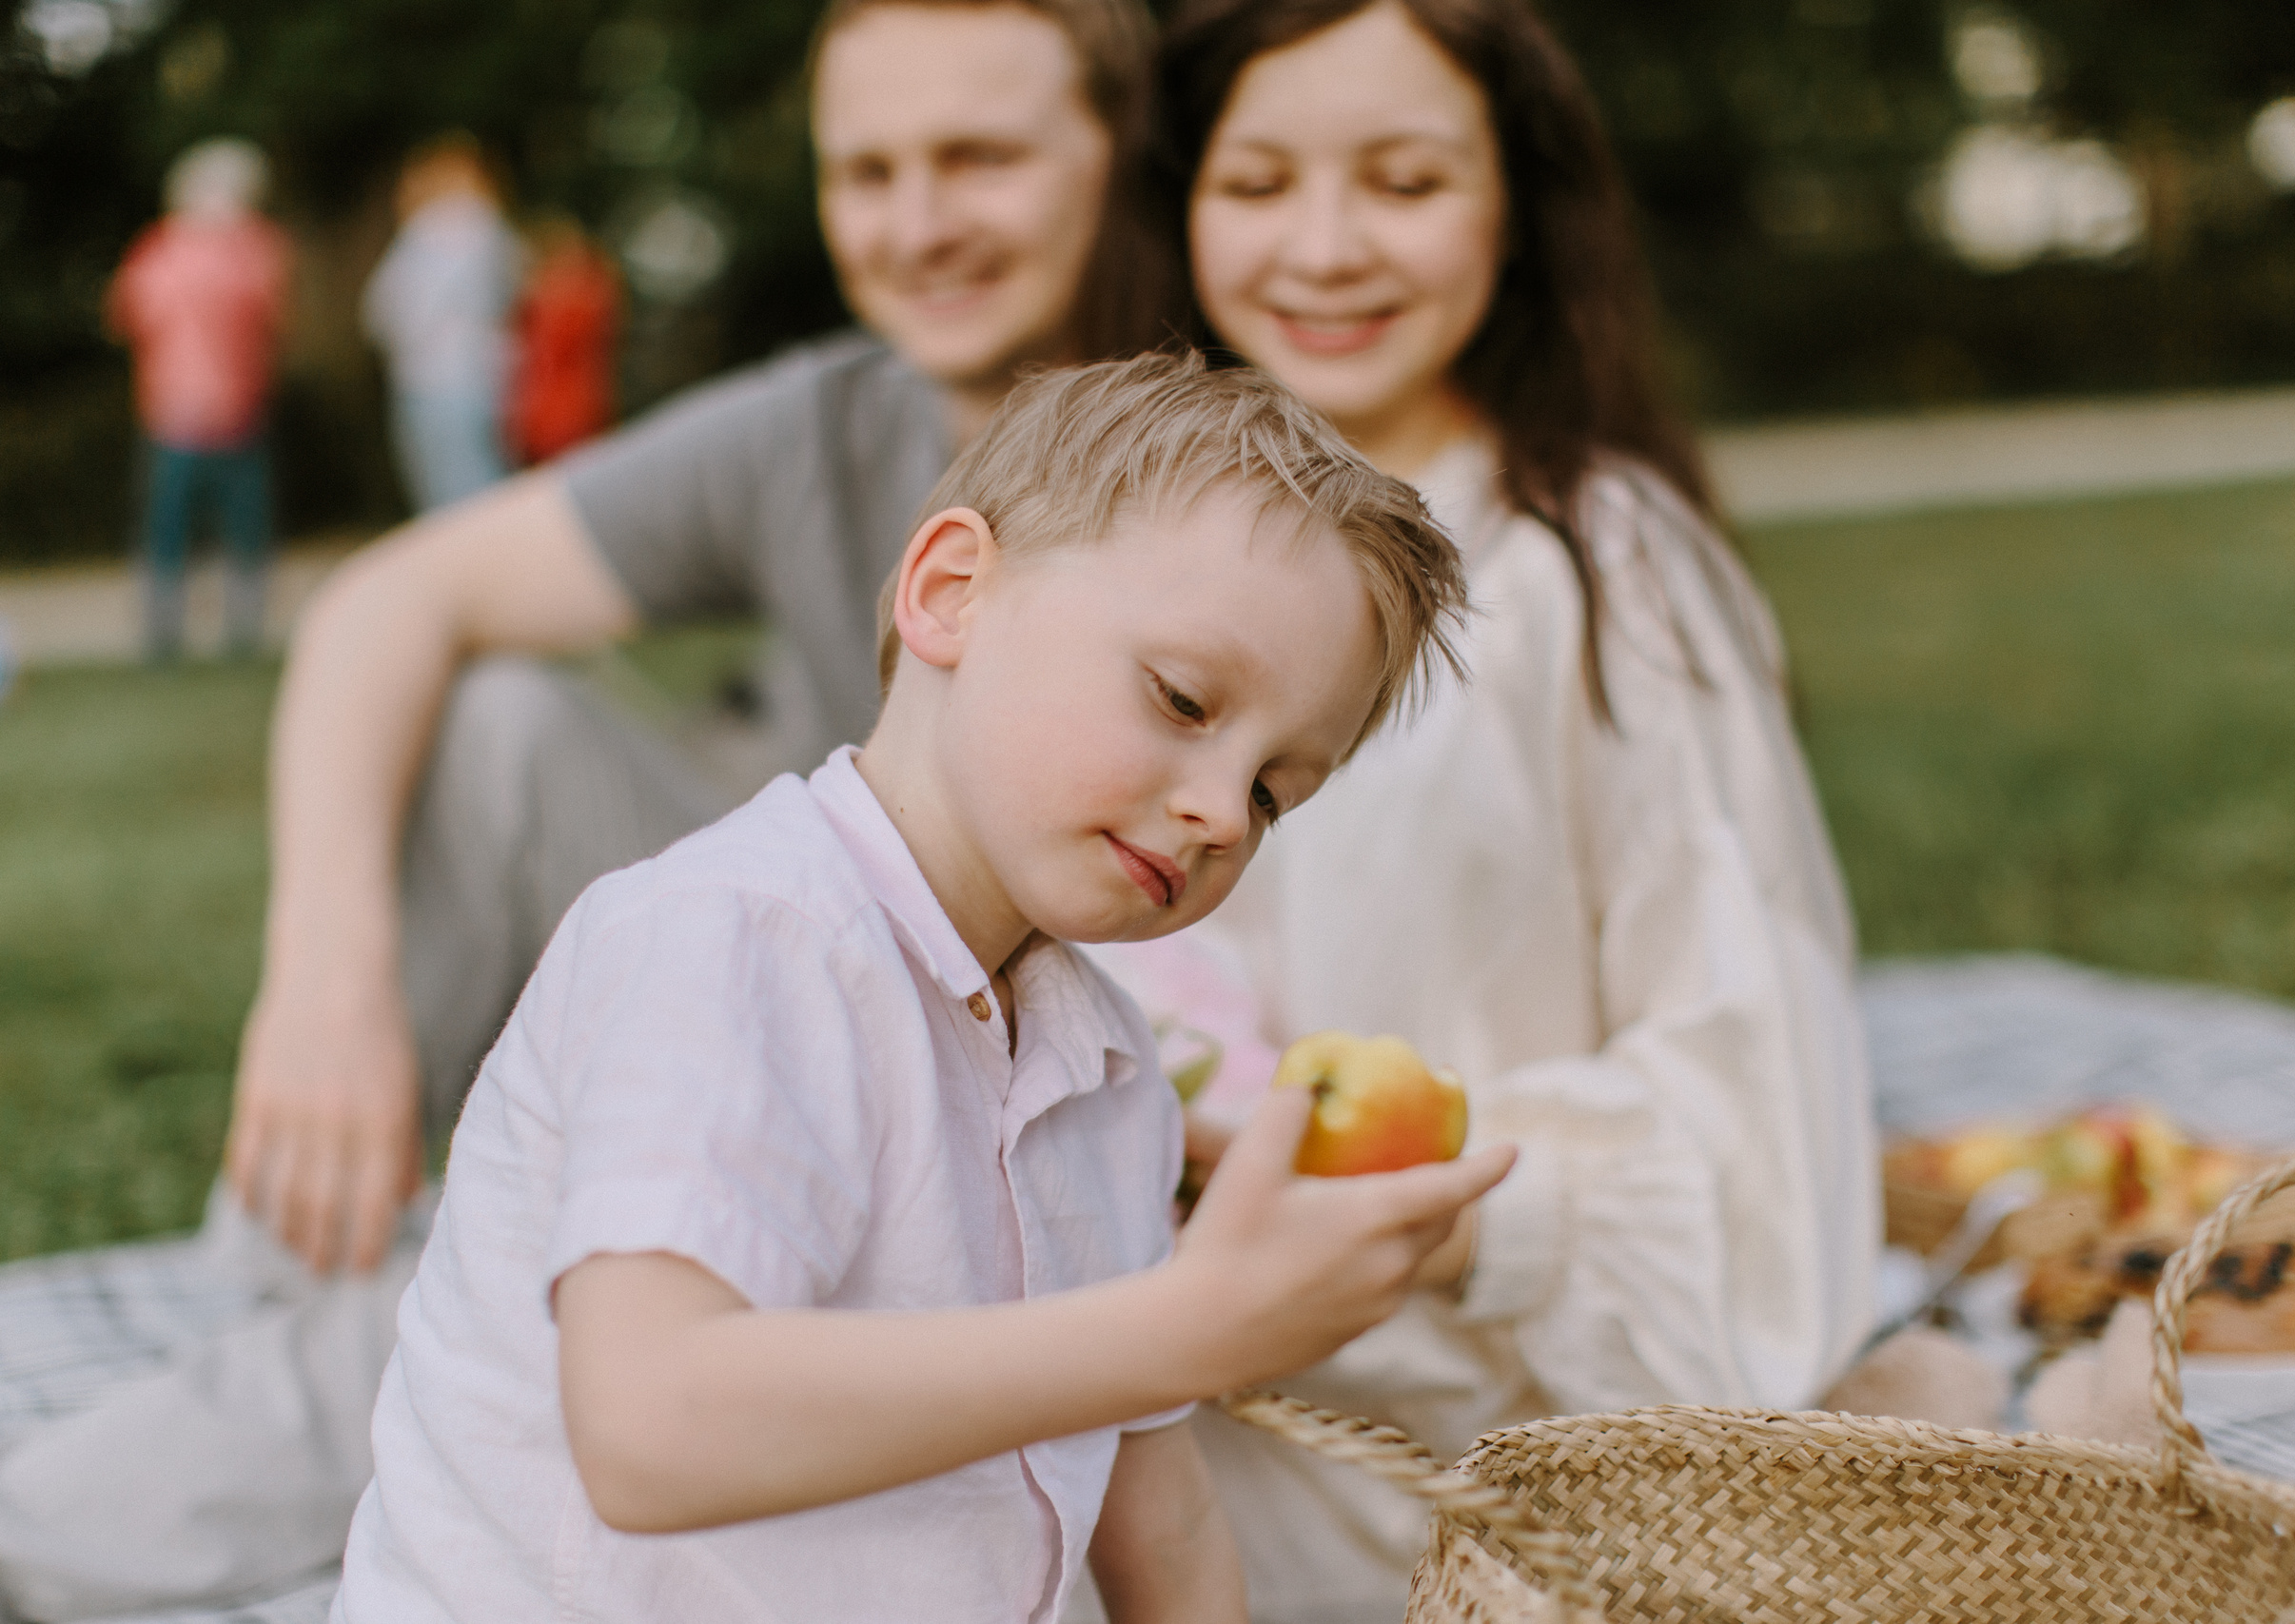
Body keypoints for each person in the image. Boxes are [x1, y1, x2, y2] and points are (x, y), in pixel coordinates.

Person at [0, 2, 1174, 1616]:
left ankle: (250, 1411)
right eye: (867, 168)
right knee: (499, 719)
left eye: (976, 157)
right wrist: (324, 977)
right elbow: (385, 602)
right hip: (766, 1049)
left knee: (434, 1355)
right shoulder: (833, 417)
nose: (916, 223)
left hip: (996, 1110)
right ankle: (286, 1265)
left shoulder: (1221, 467)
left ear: (1117, 150)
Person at [329, 350, 1506, 1624]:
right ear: (951, 592)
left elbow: (1157, 1511)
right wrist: (1183, 1325)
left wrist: (1177, 1327)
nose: (1222, 808)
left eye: (1278, 787)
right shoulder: (739, 936)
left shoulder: (1103, 1063)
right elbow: (651, 1424)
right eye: (1181, 698)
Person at [1084, 2, 1881, 1617]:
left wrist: (1426, 1218)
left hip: (1467, 1464)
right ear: (1178, 205)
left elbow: (1761, 1136)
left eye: (1403, 179)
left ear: (1516, 207)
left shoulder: (1601, 577)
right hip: (1120, 1407)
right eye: (1257, 183)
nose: (1323, 247)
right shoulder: (1091, 555)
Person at [106, 137, 291, 662]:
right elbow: (129, 314)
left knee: (244, 527)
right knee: (170, 528)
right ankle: (164, 636)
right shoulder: (164, 251)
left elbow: (268, 309)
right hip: (176, 414)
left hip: (235, 413)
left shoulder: (250, 248)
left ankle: (242, 633)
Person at [360, 133, 522, 512]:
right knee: (477, 487)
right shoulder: (491, 231)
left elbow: (386, 312)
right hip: (481, 379)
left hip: (435, 380)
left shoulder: (442, 229)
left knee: (453, 496)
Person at [507, 213, 621, 466]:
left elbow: (541, 356)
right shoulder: (598, 288)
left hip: (551, 411)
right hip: (588, 402)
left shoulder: (553, 298)